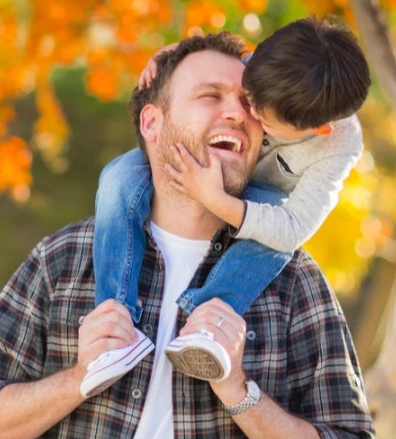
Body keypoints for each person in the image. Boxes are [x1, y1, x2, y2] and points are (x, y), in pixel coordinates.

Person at [0, 31, 375, 439]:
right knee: (114, 179)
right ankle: (118, 311)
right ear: (152, 122)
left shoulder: (296, 285)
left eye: (247, 103)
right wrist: (79, 378)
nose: (240, 113)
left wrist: (239, 391)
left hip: (267, 217)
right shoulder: (62, 259)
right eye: (210, 96)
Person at [86, 17, 371, 395]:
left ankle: (209, 322)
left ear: (319, 130)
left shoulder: (339, 144)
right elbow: (208, 56)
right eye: (249, 92)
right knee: (117, 177)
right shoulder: (268, 65)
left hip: (260, 203)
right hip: (204, 164)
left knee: (274, 244)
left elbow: (293, 227)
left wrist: (216, 201)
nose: (242, 112)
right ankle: (115, 318)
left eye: (259, 113)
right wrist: (166, 55)